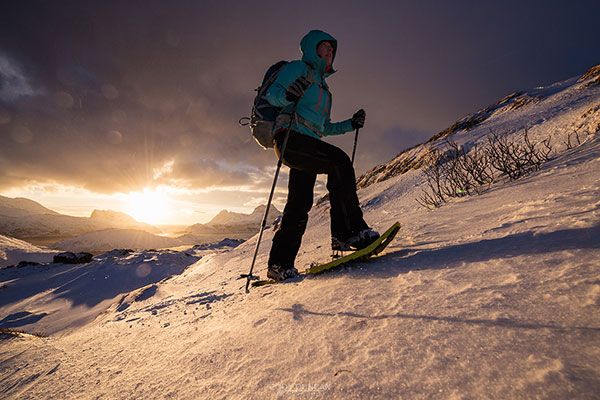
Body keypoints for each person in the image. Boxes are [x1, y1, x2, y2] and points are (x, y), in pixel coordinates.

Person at [265, 29, 379, 281]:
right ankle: (349, 232)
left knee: (299, 203)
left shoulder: (325, 90)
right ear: (312, 48)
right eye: (324, 46)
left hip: (309, 143)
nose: (329, 51)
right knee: (339, 162)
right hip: (290, 138)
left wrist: (351, 124)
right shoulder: (299, 68)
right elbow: (271, 95)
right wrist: (288, 94)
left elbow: (323, 128)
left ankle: (279, 265)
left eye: (332, 48)